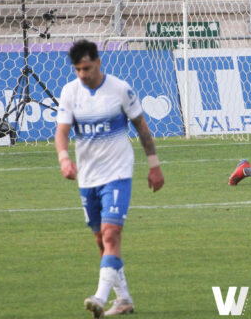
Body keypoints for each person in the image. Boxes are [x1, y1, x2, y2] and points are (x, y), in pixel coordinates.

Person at [55, 40, 164, 318]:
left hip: (118, 173)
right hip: (88, 177)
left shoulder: (120, 90)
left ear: (99, 62)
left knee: (112, 233)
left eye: (87, 68)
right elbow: (62, 133)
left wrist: (154, 166)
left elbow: (143, 129)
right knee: (100, 242)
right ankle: (124, 298)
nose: (82, 74)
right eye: (78, 69)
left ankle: (100, 298)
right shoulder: (70, 92)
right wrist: (64, 159)